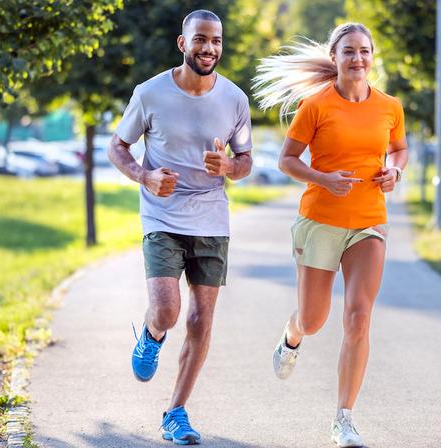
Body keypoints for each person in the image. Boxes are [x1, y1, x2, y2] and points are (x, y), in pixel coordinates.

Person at [252, 22, 408, 447]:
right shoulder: (316, 105)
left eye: (364, 51)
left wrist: (395, 170)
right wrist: (322, 177)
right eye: (349, 52)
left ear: (372, 56)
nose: (358, 59)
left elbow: (398, 148)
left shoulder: (390, 106)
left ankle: (344, 419)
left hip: (368, 222)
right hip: (320, 220)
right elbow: (287, 159)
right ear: (334, 57)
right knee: (315, 319)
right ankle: (292, 335)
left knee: (358, 317)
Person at [108, 9, 253, 446]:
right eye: (201, 40)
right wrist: (143, 176)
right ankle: (152, 334)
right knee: (169, 310)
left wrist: (229, 165)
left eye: (217, 41)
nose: (210, 48)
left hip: (211, 217)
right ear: (182, 43)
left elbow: (246, 162)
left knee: (200, 319)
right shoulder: (150, 93)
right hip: (162, 214)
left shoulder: (234, 99)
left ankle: (175, 412)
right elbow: (118, 145)